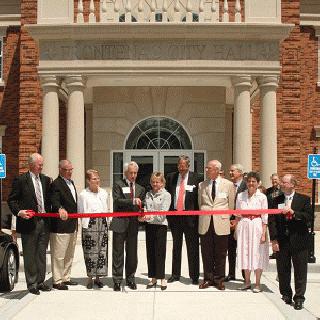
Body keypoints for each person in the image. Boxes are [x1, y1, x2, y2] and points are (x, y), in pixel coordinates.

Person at [7, 153, 51, 295]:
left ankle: (41, 281)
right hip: (28, 222)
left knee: (41, 253)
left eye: (42, 164)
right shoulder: (21, 180)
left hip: (44, 222)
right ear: (31, 165)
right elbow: (12, 200)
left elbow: (49, 199)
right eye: (40, 164)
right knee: (30, 253)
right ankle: (32, 283)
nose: (42, 167)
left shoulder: (45, 180)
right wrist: (19, 212)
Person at [269, 174, 312, 310]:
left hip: (299, 240)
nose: (281, 184)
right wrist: (274, 239)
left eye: (285, 182)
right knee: (283, 270)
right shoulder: (276, 200)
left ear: (293, 184)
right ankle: (286, 294)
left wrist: (294, 213)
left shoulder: (304, 199)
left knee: (300, 271)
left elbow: (309, 217)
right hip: (282, 241)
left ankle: (299, 298)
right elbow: (272, 221)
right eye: (281, 182)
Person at [198, 160, 235, 290]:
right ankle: (208, 279)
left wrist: (225, 218)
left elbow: (231, 205)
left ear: (216, 169)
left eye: (208, 168)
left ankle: (219, 279)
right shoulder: (202, 185)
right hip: (205, 222)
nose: (206, 170)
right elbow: (200, 203)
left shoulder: (229, 185)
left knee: (221, 253)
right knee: (206, 252)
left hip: (221, 222)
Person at [110, 161, 146, 291]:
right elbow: (117, 200)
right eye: (131, 172)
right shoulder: (118, 185)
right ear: (126, 173)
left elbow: (143, 205)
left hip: (133, 225)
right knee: (118, 253)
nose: (133, 175)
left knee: (132, 254)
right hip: (119, 222)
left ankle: (131, 278)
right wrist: (131, 201)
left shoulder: (141, 189)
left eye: (135, 173)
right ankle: (117, 280)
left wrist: (143, 213)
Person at [166, 155, 200, 285]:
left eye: (183, 165)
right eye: (179, 165)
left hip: (190, 218)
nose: (181, 168)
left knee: (193, 248)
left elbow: (198, 199)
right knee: (176, 246)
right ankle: (175, 274)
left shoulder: (196, 178)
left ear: (188, 166)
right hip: (175, 217)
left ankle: (194, 275)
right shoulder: (171, 177)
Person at [235, 171, 269, 292]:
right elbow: (237, 214)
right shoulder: (240, 196)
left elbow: (265, 216)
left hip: (257, 226)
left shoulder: (262, 197)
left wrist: (264, 233)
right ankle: (247, 282)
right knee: (245, 252)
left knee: (257, 253)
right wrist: (236, 227)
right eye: (249, 181)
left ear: (258, 183)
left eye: (253, 181)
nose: (251, 183)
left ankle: (258, 283)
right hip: (244, 226)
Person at [139, 172, 171, 290]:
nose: (155, 184)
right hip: (150, 226)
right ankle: (153, 277)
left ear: (162, 182)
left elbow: (162, 213)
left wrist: (149, 217)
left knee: (160, 253)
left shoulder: (167, 195)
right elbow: (146, 208)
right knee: (150, 252)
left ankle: (162, 278)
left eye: (157, 181)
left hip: (160, 226)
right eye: (153, 181)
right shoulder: (148, 194)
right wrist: (144, 215)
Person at [50, 160, 78, 290]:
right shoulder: (56, 184)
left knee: (69, 254)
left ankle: (66, 277)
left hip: (72, 224)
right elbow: (54, 201)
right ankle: (57, 280)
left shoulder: (71, 183)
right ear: (60, 169)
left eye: (71, 169)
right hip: (60, 225)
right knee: (59, 255)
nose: (70, 172)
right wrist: (60, 208)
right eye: (68, 169)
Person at [78, 169, 109, 289]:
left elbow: (106, 208)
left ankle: (98, 278)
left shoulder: (104, 193)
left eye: (98, 178)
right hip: (89, 224)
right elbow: (80, 211)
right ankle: (90, 278)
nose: (97, 180)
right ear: (88, 181)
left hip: (102, 223)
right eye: (94, 178)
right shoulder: (83, 195)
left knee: (102, 251)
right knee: (90, 252)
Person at [225, 163, 247, 282]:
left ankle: (245, 275)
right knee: (231, 249)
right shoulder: (229, 186)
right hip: (229, 223)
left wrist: (237, 220)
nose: (230, 173)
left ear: (240, 173)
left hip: (242, 222)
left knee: (243, 249)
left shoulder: (246, 186)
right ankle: (231, 273)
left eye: (233, 171)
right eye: (230, 171)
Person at [266, 173, 283, 259]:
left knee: (279, 233)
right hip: (270, 216)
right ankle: (274, 252)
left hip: (279, 216)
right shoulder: (268, 191)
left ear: (279, 180)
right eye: (273, 180)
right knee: (272, 233)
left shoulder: (282, 191)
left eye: (275, 179)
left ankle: (280, 251)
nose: (274, 181)